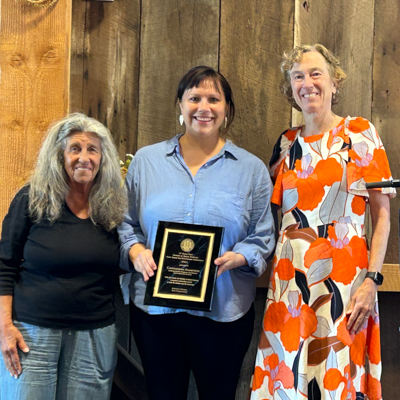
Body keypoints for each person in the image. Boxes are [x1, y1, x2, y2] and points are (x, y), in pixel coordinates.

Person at [118, 66, 275, 400]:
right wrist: (135, 251)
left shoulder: (251, 170)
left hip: (223, 311)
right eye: (194, 98)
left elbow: (263, 235)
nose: (204, 107)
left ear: (227, 109)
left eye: (214, 99)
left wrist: (241, 256)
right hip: (155, 313)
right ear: (180, 104)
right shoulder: (147, 162)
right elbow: (124, 223)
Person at [251, 44, 396, 400]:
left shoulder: (360, 134)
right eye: (298, 76)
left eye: (316, 74)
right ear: (290, 89)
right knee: (288, 376)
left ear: (334, 83)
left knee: (336, 376)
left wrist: (371, 282)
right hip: (289, 285)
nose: (307, 83)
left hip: (345, 284)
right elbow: (269, 214)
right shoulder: (285, 145)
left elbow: (382, 216)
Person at [0, 113, 127, 399]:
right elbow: (4, 265)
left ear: (103, 157)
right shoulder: (31, 199)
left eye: (93, 149)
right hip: (32, 333)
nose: (84, 157)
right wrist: (4, 327)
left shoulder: (114, 208)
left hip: (94, 334)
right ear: (59, 155)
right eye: (75, 148)